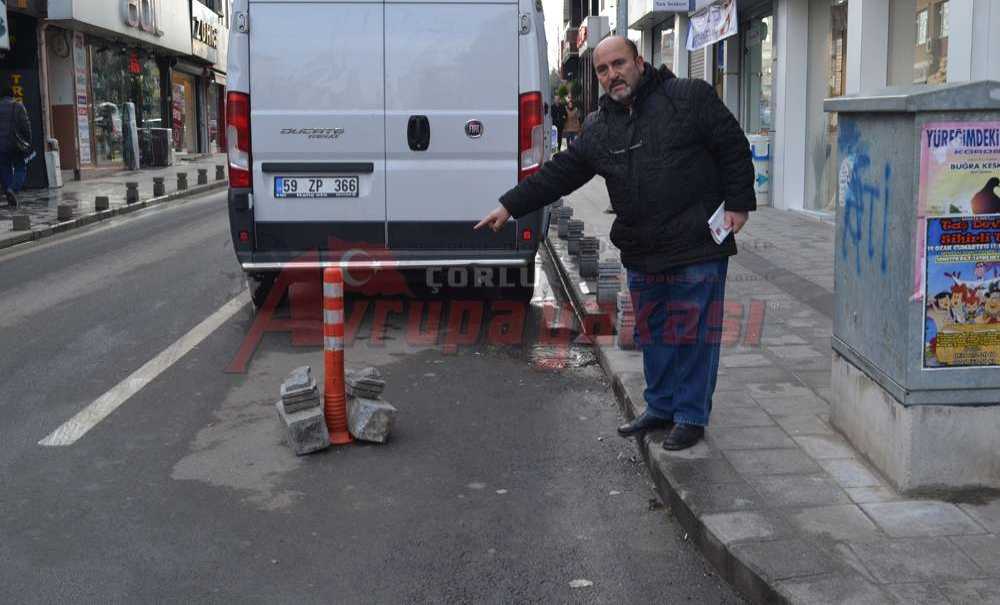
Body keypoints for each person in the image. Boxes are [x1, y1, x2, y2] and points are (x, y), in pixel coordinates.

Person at [476, 36, 756, 451]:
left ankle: (691, 416)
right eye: (603, 70)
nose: (612, 75)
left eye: (618, 64)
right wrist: (509, 205)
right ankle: (660, 407)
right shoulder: (599, 128)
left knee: (694, 334)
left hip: (697, 242)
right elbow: (560, 173)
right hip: (643, 249)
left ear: (639, 62)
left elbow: (732, 146)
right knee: (654, 332)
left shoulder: (688, 97)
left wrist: (738, 204)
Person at [0, 86, 31, 207]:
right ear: (12, 95)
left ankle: (8, 190)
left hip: (1, 146)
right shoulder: (17, 106)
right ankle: (12, 189)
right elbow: (25, 126)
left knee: (4, 168)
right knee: (20, 167)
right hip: (15, 144)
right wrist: (28, 141)